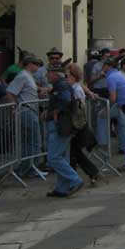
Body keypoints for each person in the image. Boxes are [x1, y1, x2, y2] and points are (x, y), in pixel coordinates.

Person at [44, 65, 84, 197]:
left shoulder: (61, 85)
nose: (47, 75)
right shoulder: (61, 84)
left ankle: (75, 180)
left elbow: (66, 100)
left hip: (60, 125)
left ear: (55, 73)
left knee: (53, 158)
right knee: (62, 157)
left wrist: (56, 111)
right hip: (64, 125)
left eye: (48, 72)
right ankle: (62, 188)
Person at [6, 54, 45, 177]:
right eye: (36, 64)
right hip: (26, 111)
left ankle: (28, 168)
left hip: (29, 110)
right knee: (34, 141)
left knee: (29, 141)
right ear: (30, 64)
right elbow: (10, 92)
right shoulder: (23, 76)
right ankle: (28, 168)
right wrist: (14, 107)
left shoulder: (28, 76)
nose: (38, 67)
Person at [66, 63, 100, 185]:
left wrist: (75, 127)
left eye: (67, 75)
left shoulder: (77, 90)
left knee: (74, 152)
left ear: (74, 76)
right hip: (76, 125)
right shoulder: (74, 87)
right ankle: (80, 174)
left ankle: (86, 174)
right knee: (74, 152)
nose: (66, 78)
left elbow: (79, 110)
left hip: (78, 126)